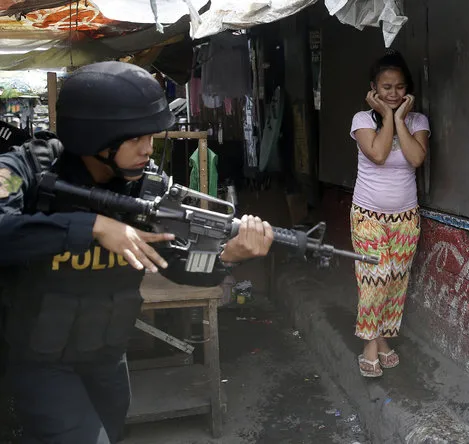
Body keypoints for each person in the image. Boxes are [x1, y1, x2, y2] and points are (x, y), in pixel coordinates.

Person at [0, 61, 274, 444]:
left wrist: (228, 256)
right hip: (43, 363)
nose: (149, 149)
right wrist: (93, 226)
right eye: (136, 139)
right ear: (97, 134)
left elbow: (173, 263)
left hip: (107, 357)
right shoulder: (24, 168)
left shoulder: (143, 189)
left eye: (152, 136)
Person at [349, 50, 430, 378]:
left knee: (395, 281)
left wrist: (397, 120)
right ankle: (370, 346)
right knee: (372, 279)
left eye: (399, 87)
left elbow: (416, 159)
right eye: (386, 87)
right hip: (367, 215)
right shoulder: (361, 120)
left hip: (405, 218)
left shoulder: (417, 121)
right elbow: (380, 154)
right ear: (373, 89)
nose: (393, 93)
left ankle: (383, 338)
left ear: (408, 89)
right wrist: (383, 114)